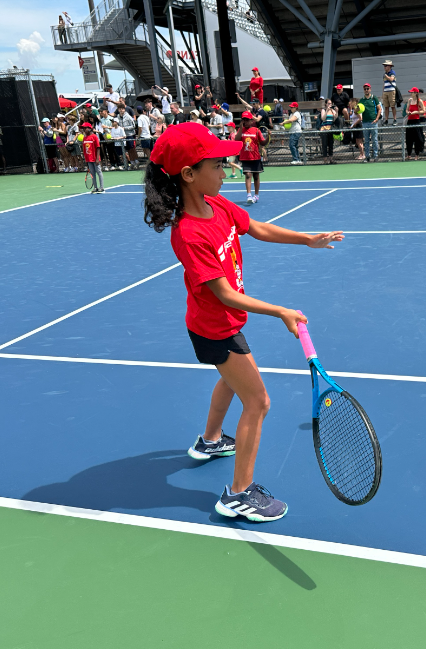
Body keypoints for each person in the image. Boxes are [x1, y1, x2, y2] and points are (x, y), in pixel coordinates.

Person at [142, 122, 344, 522]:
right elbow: (225, 295)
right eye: (218, 164)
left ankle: (211, 441)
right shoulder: (188, 233)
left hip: (222, 322)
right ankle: (237, 494)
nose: (226, 169)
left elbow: (255, 227)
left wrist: (307, 238)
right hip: (214, 326)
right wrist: (281, 311)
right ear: (188, 174)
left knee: (230, 379)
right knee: (258, 401)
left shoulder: (216, 206)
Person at [235, 111, 266, 203]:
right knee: (248, 175)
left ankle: (256, 196)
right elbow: (236, 139)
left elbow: (263, 142)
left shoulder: (256, 130)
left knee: (256, 176)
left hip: (255, 157)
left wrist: (268, 136)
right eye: (243, 119)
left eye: (247, 120)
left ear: (251, 121)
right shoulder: (240, 130)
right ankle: (249, 195)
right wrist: (240, 129)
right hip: (245, 157)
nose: (245, 121)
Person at [358, 84, 382, 161]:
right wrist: (356, 111)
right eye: (365, 89)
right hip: (365, 122)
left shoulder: (374, 98)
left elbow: (379, 109)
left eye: (367, 88)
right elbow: (357, 111)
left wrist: (377, 119)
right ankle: (367, 156)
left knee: (374, 140)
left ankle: (375, 156)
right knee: (366, 140)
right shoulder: (361, 100)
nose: (366, 90)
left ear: (370, 89)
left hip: (373, 122)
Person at [80, 121, 103, 193]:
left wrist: (97, 159)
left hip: (95, 158)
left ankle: (101, 187)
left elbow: (98, 148)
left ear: (89, 128)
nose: (84, 130)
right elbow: (84, 149)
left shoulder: (94, 137)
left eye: (85, 128)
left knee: (99, 172)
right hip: (88, 159)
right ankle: (95, 187)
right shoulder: (84, 138)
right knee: (92, 174)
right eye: (83, 128)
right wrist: (85, 159)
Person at [404, 87, 426, 160]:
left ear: (416, 93)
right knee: (409, 139)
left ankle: (417, 154)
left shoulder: (419, 101)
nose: (411, 93)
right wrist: (408, 112)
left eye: (412, 92)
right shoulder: (409, 100)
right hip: (410, 121)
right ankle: (409, 154)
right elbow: (407, 109)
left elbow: (423, 110)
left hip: (416, 121)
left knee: (417, 139)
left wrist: (416, 112)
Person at [319, 99, 338, 164]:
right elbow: (323, 118)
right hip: (324, 129)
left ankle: (331, 159)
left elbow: (335, 118)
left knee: (331, 145)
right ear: (326, 104)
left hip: (330, 129)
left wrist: (336, 111)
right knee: (324, 145)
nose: (330, 105)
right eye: (328, 103)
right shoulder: (323, 110)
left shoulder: (332, 111)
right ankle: (325, 160)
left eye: (331, 103)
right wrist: (327, 110)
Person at [382, 60, 397, 125]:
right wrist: (383, 92)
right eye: (384, 66)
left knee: (392, 106)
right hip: (385, 91)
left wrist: (386, 76)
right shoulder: (384, 74)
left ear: (390, 66)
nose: (384, 67)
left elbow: (391, 79)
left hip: (391, 91)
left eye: (386, 66)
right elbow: (384, 84)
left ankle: (395, 119)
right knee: (386, 106)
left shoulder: (392, 72)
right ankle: (386, 120)